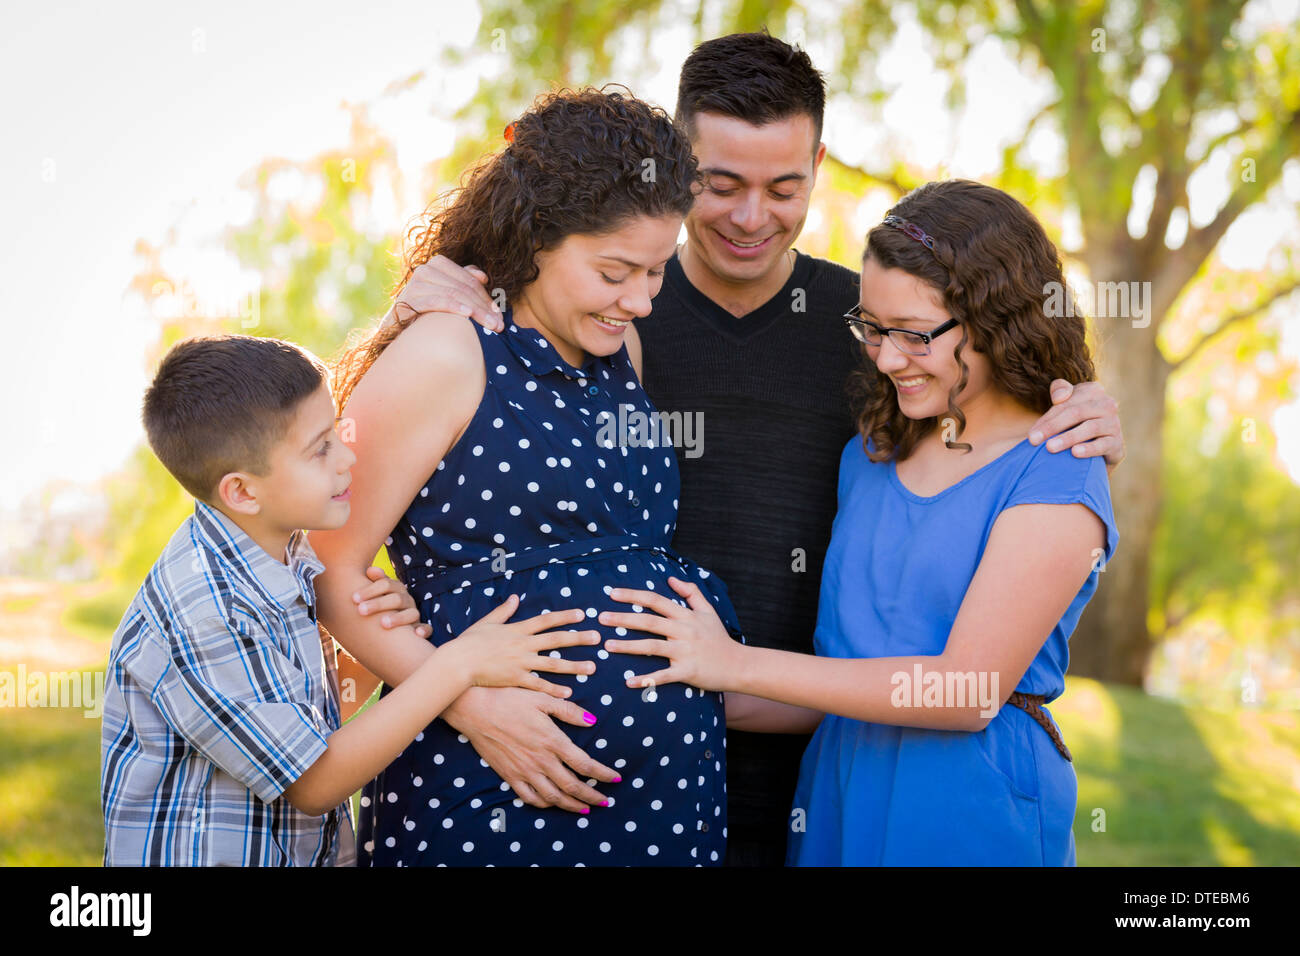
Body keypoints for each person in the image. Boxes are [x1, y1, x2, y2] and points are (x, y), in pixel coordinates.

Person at [389, 31, 1127, 867]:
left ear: (819, 163)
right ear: (673, 170)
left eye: (783, 187)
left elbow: (995, 431)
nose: (750, 217)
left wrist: (1082, 405)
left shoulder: (872, 327)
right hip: (616, 770)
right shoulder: (608, 308)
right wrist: (420, 305)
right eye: (721, 183)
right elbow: (457, 435)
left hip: (814, 776)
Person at [600, 179, 1118, 866]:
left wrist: (735, 660)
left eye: (912, 334)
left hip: (964, 806)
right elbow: (835, 685)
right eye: (872, 328)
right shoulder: (870, 456)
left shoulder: (1059, 466)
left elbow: (965, 691)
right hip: (836, 793)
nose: (885, 357)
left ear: (999, 323)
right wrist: (658, 682)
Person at [312, 86, 746, 866]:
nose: (642, 301)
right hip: (486, 782)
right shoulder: (449, 350)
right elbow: (329, 569)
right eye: (617, 271)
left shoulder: (621, 358)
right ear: (537, 236)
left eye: (656, 272)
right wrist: (470, 707)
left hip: (664, 796)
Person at [100, 334, 597, 866]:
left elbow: (304, 713)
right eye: (321, 449)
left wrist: (374, 654)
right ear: (242, 491)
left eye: (338, 431)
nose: (348, 456)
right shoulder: (203, 609)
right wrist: (455, 666)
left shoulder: (279, 554)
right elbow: (313, 780)